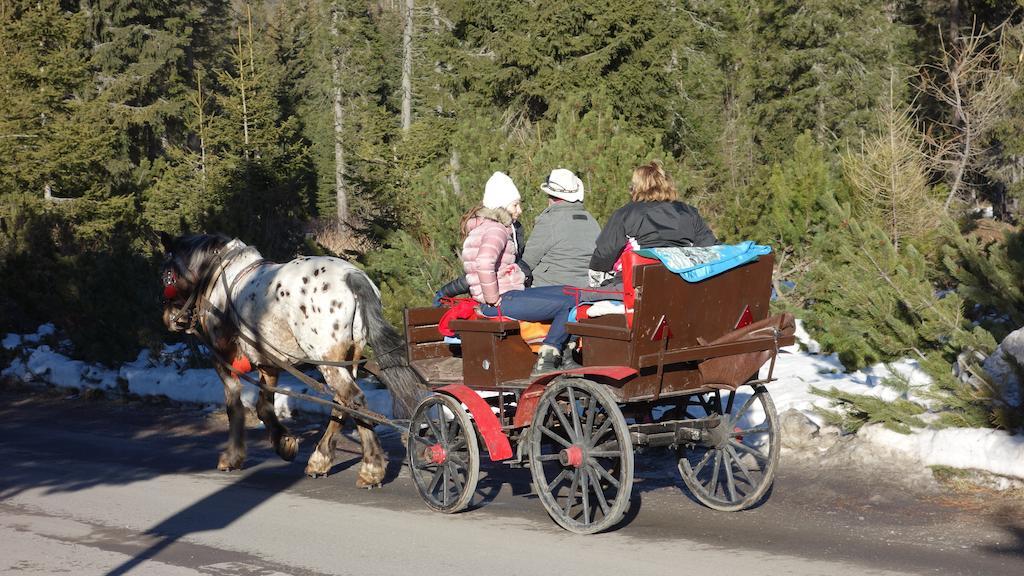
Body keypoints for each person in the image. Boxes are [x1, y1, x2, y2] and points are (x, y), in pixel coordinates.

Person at [461, 172, 579, 375]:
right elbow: (483, 261)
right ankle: (547, 358)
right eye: (515, 205)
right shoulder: (496, 230)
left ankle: (564, 353)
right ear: (502, 205)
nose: (520, 210)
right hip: (501, 301)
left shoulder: (491, 228)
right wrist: (493, 299)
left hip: (509, 295)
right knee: (568, 302)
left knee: (571, 293)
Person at [588, 161, 717, 285]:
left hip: (637, 286)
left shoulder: (626, 214)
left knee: (581, 299)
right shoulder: (689, 213)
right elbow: (709, 249)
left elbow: (604, 254)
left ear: (636, 187)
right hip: (682, 285)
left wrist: (595, 279)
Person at [521, 168, 601, 288]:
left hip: (550, 290)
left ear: (551, 196)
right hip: (585, 290)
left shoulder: (549, 221)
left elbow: (527, 262)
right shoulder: (592, 221)